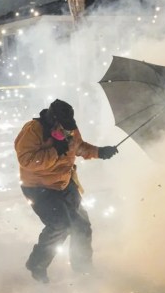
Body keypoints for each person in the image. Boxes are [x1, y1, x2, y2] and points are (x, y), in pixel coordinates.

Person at [14, 99, 118, 283]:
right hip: (38, 187)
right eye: (63, 127)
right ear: (53, 120)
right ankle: (37, 265)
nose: (68, 131)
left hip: (64, 182)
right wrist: (55, 151)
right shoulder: (32, 131)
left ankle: (83, 268)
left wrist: (100, 152)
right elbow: (27, 161)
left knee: (81, 225)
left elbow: (78, 147)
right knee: (60, 225)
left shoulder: (69, 128)